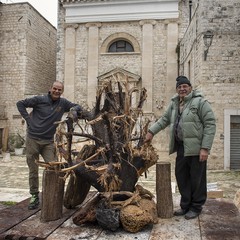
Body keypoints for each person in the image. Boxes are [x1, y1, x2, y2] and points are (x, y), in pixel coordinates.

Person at [145, 76, 216, 220]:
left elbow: (210, 124)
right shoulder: (174, 104)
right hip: (182, 147)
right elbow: (164, 120)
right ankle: (185, 206)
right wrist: (151, 132)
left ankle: (196, 207)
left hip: (197, 148)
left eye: (185, 86)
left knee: (197, 178)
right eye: (179, 87)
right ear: (177, 90)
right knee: (181, 176)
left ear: (190, 88)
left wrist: (205, 148)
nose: (182, 89)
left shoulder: (200, 102)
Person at [16, 81, 83, 210]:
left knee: (53, 169)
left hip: (48, 142)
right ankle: (34, 196)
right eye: (55, 89)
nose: (57, 91)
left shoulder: (63, 103)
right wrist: (28, 120)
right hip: (33, 140)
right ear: (50, 89)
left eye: (59, 90)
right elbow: (20, 104)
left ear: (62, 91)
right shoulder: (39, 99)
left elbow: (77, 106)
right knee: (33, 170)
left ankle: (53, 195)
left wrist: (74, 110)